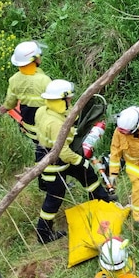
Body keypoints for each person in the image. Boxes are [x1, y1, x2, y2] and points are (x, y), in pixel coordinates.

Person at [33, 79, 112, 244]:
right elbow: (64, 152)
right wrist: (81, 161)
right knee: (55, 196)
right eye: (68, 99)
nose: (70, 101)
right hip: (53, 160)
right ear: (61, 99)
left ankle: (103, 202)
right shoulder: (55, 123)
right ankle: (43, 234)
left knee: (88, 174)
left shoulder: (43, 110)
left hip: (52, 153)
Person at [0, 41, 52, 156]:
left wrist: (5, 108)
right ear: (34, 60)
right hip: (43, 115)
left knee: (35, 139)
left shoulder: (14, 79)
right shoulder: (44, 80)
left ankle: (39, 151)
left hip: (27, 115)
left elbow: (11, 100)